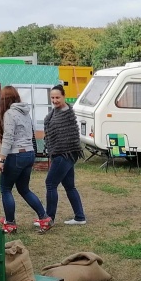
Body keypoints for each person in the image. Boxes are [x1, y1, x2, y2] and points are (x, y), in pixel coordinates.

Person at [0, 85, 52, 233]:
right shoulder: (25, 113)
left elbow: (8, 137)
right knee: (24, 189)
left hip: (16, 154)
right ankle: (44, 218)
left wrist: (1, 160)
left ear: (4, 100)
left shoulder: (9, 114)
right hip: (29, 153)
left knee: (5, 188)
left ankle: (10, 223)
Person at [43, 85, 87, 225]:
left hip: (65, 153)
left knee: (50, 183)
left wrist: (57, 151)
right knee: (69, 186)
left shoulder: (66, 113)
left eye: (57, 97)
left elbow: (69, 136)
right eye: (52, 98)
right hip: (62, 153)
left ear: (64, 97)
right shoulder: (55, 112)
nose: (55, 100)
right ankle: (80, 217)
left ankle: (48, 218)